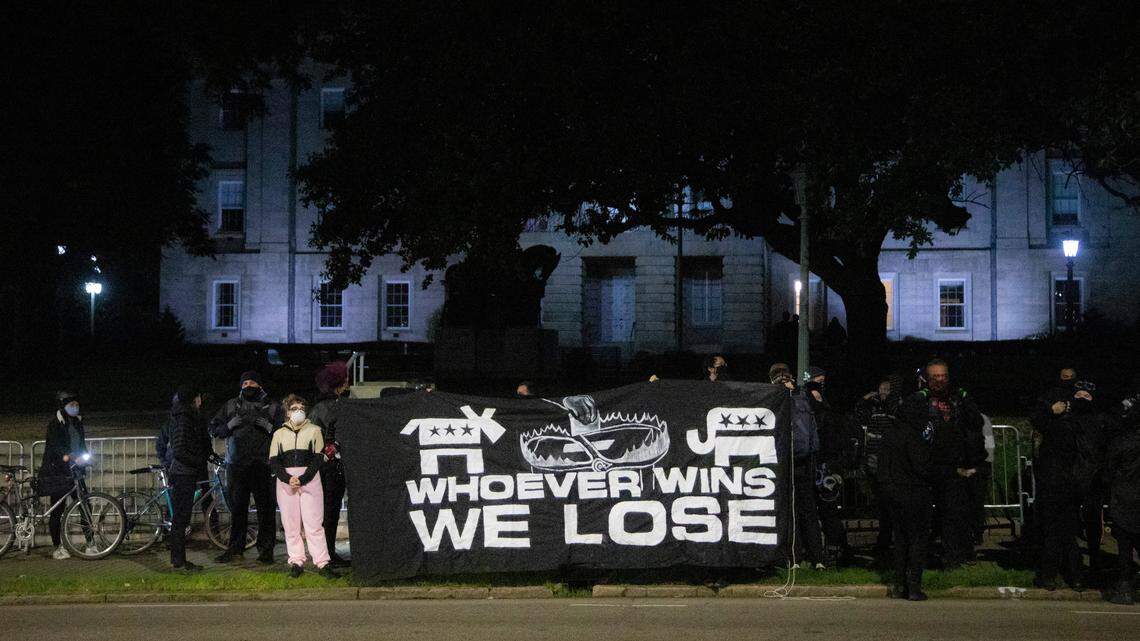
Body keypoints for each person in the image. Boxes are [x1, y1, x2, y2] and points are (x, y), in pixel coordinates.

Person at [886, 392, 977, 600]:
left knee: (900, 542)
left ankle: (899, 585)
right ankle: (914, 587)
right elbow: (925, 467)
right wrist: (953, 472)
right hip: (916, 493)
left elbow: (883, 466)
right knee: (917, 541)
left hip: (895, 493)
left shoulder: (891, 434)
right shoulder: (917, 437)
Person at [902, 359, 986, 569]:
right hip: (928, 465)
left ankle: (953, 557)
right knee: (923, 515)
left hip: (953, 466)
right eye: (935, 377)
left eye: (943, 376)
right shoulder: (921, 399)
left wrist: (966, 400)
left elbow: (976, 422)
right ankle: (921, 556)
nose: (940, 380)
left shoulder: (958, 398)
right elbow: (905, 416)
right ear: (927, 379)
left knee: (954, 513)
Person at [1029, 380, 1107, 591]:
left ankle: (1050, 575)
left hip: (1060, 484)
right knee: (1069, 531)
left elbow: (1037, 421)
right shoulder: (1095, 422)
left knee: (1056, 531)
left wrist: (1050, 411)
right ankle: (1077, 577)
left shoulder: (1065, 422)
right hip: (1081, 485)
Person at [209, 371, 282, 564]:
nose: (247, 386)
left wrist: (270, 427)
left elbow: (284, 433)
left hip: (262, 465)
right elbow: (214, 428)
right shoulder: (231, 405)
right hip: (237, 465)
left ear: (259, 384)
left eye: (251, 382)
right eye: (244, 383)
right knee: (237, 510)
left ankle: (266, 552)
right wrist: (228, 427)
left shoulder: (273, 407)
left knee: (265, 511)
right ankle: (235, 549)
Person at [269, 395, 337, 579]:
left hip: (310, 480)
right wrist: (287, 478)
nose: (298, 411)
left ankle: (323, 562)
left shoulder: (314, 431)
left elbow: (318, 458)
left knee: (314, 524)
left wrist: (304, 477)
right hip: (286, 483)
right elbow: (274, 461)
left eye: (301, 408)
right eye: (294, 408)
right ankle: (296, 561)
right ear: (287, 412)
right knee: (291, 525)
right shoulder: (279, 434)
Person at [771, 362, 824, 570]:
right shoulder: (799, 399)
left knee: (797, 510)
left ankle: (802, 556)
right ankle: (809, 557)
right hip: (799, 460)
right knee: (802, 510)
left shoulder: (790, 398)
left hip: (793, 461)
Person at [804, 366, 852, 565]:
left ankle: (834, 550)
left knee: (827, 511)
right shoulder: (825, 411)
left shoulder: (819, 413)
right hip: (824, 466)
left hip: (823, 466)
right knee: (825, 511)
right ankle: (833, 550)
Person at [164, 385, 212, 572]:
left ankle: (179, 560)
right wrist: (199, 461)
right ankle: (178, 561)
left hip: (186, 471)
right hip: (183, 473)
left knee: (181, 518)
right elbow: (180, 450)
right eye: (199, 397)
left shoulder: (188, 416)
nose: (201, 401)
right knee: (180, 518)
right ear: (194, 399)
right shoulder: (184, 418)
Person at [38, 391, 91, 560]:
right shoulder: (55, 424)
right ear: (63, 406)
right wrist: (66, 455)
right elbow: (53, 446)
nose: (75, 407)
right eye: (71, 405)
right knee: (57, 510)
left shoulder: (77, 423)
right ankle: (57, 546)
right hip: (59, 472)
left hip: (76, 471)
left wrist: (85, 457)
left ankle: (91, 543)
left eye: (76, 404)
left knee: (85, 507)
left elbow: (81, 444)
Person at [309, 362, 351, 568]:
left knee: (328, 510)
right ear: (340, 384)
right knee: (329, 510)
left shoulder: (319, 407)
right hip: (332, 466)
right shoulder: (335, 406)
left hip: (324, 465)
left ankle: (326, 552)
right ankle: (327, 554)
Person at [857, 378, 900, 557]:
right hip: (874, 459)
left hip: (889, 460)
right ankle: (884, 540)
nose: (882, 393)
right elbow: (859, 411)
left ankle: (891, 540)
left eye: (886, 390)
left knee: (891, 504)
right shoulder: (874, 408)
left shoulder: (894, 407)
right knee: (882, 503)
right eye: (880, 389)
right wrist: (867, 398)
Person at [1106, 380, 1140, 605]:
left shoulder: (1122, 441)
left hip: (1125, 498)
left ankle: (1125, 587)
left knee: (1125, 546)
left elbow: (1109, 471)